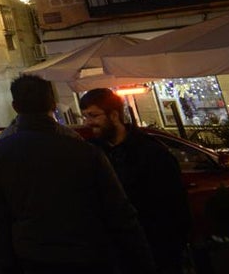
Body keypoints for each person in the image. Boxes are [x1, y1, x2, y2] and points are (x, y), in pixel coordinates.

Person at [0, 73, 155, 274]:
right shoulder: (84, 150)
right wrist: (142, 261)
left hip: (32, 256)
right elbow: (119, 211)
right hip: (86, 253)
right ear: (53, 105)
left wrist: (5, 263)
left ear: (15, 107)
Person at [79, 87, 191, 274]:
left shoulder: (150, 152)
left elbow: (174, 203)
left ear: (114, 115)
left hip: (155, 245)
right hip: (114, 250)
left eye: (93, 116)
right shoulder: (90, 153)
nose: (88, 122)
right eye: (85, 116)